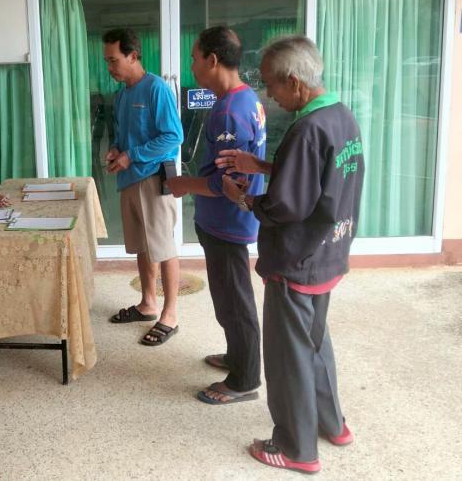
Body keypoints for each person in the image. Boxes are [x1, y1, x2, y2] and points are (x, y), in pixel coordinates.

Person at [218, 36, 364, 474]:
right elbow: (317, 178)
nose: (269, 94)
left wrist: (243, 198)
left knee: (288, 357)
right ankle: (332, 423)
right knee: (315, 344)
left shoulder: (306, 129)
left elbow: (286, 205)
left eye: (271, 84)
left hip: (297, 260)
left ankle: (296, 448)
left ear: (295, 83)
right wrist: (262, 166)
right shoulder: (341, 117)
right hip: (328, 253)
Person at [166, 27, 265, 405]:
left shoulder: (228, 113)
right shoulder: (246, 98)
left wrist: (183, 184)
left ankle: (244, 379)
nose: (191, 66)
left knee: (234, 302)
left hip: (227, 224)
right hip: (229, 221)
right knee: (228, 298)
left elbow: (228, 184)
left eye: (194, 59)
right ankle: (237, 357)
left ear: (212, 60)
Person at [103, 28, 184, 346]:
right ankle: (148, 303)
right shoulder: (122, 95)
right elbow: (122, 135)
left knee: (163, 247)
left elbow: (173, 136)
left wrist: (131, 155)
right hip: (129, 179)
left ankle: (170, 314)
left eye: (113, 60)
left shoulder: (156, 89)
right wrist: (116, 150)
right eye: (107, 61)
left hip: (153, 177)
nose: (109, 67)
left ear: (133, 56)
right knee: (142, 245)